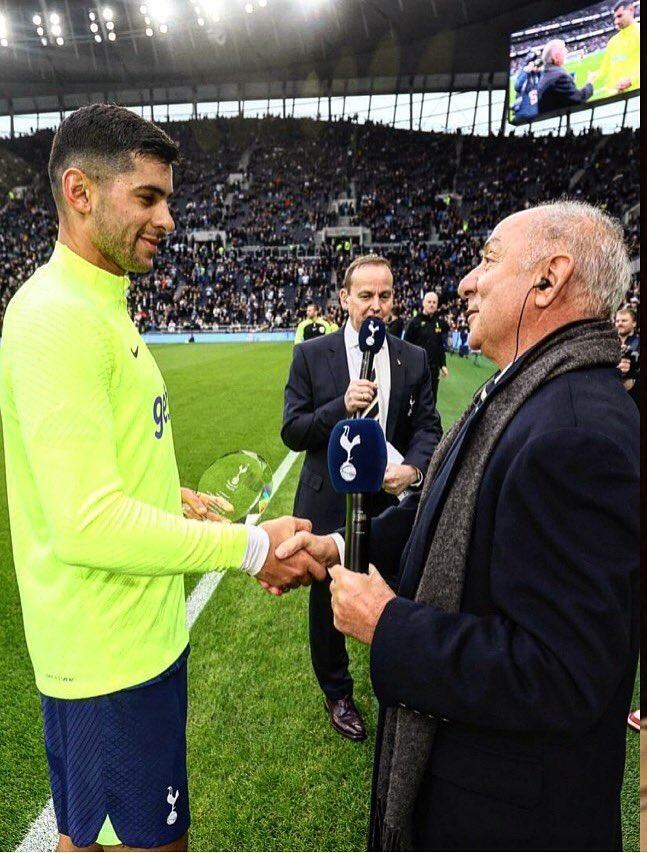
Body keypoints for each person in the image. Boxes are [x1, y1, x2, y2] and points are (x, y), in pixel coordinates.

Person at [0, 104, 323, 853]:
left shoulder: (99, 304)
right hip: (109, 659)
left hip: (129, 644)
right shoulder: (57, 317)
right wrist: (248, 546)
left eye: (167, 198)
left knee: (89, 837)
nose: (168, 218)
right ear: (79, 192)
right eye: (147, 197)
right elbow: (84, 523)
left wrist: (163, 494)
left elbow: (93, 472)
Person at [277, 201, 639, 850]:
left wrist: (390, 624)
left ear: (547, 280)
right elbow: (438, 508)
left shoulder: (577, 431)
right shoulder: (525, 390)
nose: (467, 280)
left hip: (508, 822)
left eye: (488, 259)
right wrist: (336, 546)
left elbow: (561, 674)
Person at [281, 255, 442, 742]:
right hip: (327, 500)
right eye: (366, 296)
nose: (376, 306)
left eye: (385, 296)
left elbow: (427, 428)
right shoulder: (312, 355)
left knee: (395, 590)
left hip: (390, 504)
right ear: (345, 299)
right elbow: (293, 430)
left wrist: (413, 468)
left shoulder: (412, 357)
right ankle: (337, 691)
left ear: (395, 300)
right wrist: (340, 406)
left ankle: (396, 679)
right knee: (327, 600)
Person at [404, 291, 449, 402]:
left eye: (434, 302)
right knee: (415, 401)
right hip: (417, 369)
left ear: (437, 305)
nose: (432, 304)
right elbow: (405, 345)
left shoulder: (438, 323)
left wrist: (443, 365)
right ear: (423, 303)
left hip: (433, 370)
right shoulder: (415, 322)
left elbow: (440, 346)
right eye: (429, 302)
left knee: (431, 401)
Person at [593, 1, 641, 97]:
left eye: (619, 16)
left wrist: (631, 80)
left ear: (631, 10)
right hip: (614, 98)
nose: (616, 22)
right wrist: (591, 78)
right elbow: (604, 70)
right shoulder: (612, 41)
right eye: (615, 18)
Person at [537, 39, 594, 114]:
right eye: (563, 49)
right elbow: (579, 99)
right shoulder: (560, 76)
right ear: (555, 56)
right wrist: (590, 83)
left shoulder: (546, 73)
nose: (566, 51)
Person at [615, 304, 640, 409]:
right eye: (617, 321)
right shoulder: (608, 343)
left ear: (634, 323)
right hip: (613, 396)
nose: (619, 324)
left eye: (624, 320)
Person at [512, 49, 542, 123]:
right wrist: (526, 71)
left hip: (535, 109)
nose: (538, 67)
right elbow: (517, 87)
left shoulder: (537, 75)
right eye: (536, 65)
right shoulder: (524, 73)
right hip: (524, 111)